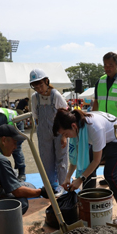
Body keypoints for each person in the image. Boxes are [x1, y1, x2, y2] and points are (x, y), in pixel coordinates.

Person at [53, 108, 117, 224]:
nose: (66, 137)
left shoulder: (93, 128)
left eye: (65, 134)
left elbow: (96, 161)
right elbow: (76, 157)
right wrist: (68, 177)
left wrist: (80, 179)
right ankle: (88, 205)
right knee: (86, 170)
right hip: (105, 136)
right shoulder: (78, 127)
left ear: (73, 126)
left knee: (111, 175)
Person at [29, 68, 68, 196]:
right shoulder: (35, 98)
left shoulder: (55, 95)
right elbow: (36, 117)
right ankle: (51, 185)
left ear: (46, 81)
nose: (39, 88)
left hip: (59, 131)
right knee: (46, 159)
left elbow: (65, 115)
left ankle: (62, 185)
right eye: (35, 85)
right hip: (43, 133)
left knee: (61, 158)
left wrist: (64, 136)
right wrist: (42, 133)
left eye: (40, 84)